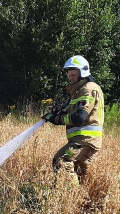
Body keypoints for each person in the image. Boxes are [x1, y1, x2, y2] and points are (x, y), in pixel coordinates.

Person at [44, 55, 104, 184]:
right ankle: (85, 199)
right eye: (69, 75)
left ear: (83, 73)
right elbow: (76, 111)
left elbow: (78, 118)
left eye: (73, 75)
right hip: (85, 139)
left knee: (61, 161)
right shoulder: (80, 90)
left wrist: (56, 119)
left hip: (83, 139)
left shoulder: (88, 89)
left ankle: (73, 199)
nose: (70, 79)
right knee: (81, 171)